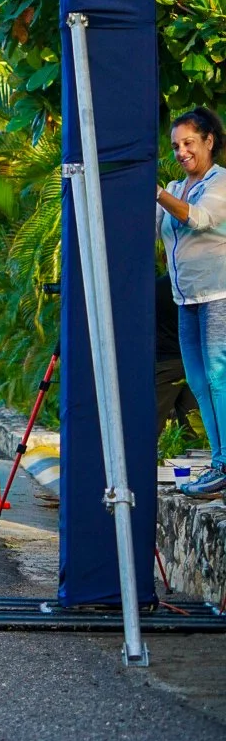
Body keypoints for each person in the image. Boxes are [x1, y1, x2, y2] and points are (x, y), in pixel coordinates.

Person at [157, 107, 226, 497]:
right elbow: (154, 230)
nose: (181, 151)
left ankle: (225, 462)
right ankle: (218, 461)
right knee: (199, 383)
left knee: (218, 378)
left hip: (219, 295)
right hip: (186, 300)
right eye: (175, 146)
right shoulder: (175, 187)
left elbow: (197, 219)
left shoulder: (220, 184)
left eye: (189, 143)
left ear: (208, 141)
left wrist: (157, 193)